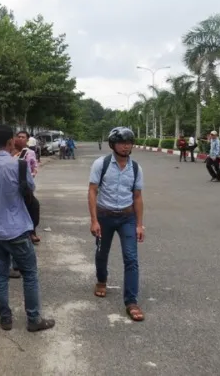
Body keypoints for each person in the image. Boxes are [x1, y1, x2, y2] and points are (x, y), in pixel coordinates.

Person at [0, 124, 55, 333]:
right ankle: (33, 318)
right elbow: (30, 188)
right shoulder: (19, 165)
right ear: (10, 142)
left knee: (0, 275)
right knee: (30, 274)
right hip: (17, 229)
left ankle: (5, 318)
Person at [88, 127, 145, 322]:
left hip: (127, 218)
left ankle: (131, 302)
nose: (126, 146)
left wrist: (139, 224)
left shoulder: (135, 168)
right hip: (104, 216)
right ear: (113, 144)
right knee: (101, 253)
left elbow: (137, 197)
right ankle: (101, 280)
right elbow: (92, 191)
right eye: (122, 143)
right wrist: (94, 220)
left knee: (131, 258)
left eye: (129, 143)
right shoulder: (101, 164)